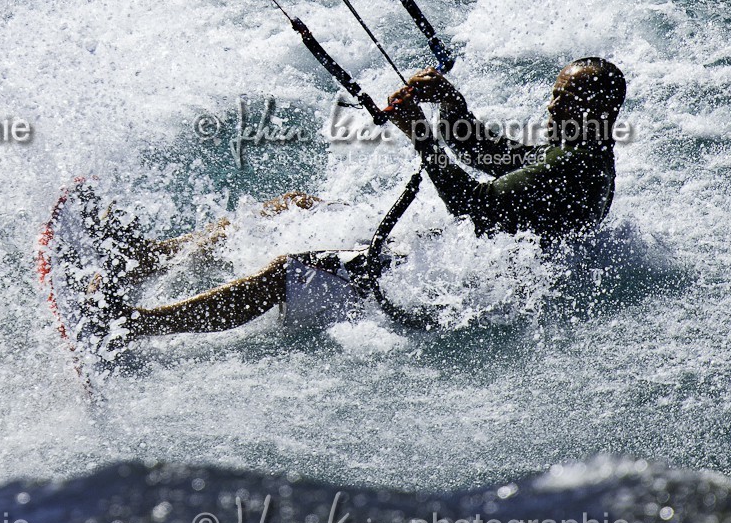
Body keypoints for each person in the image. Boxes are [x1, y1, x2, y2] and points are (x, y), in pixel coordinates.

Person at [82, 58, 626, 346]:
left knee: (286, 273)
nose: (551, 103)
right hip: (456, 254)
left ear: (595, 107)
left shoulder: (572, 165)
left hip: (452, 283)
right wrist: (448, 101)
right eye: (555, 93)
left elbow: (473, 207)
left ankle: (132, 325)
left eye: (564, 97)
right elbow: (482, 149)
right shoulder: (581, 147)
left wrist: (421, 136)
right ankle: (147, 258)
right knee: (298, 205)